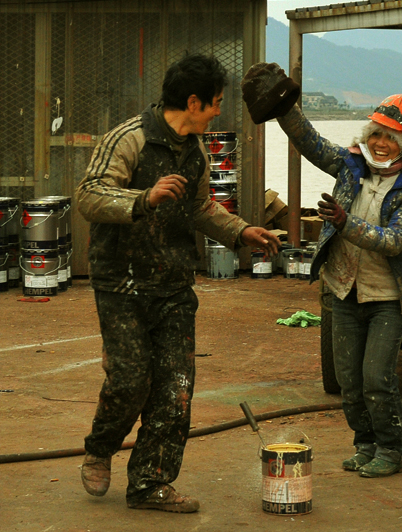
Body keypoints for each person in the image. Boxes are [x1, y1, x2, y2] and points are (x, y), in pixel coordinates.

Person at [76, 53, 280, 513]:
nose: (218, 112)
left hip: (173, 285)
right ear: (193, 102)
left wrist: (241, 231)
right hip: (122, 284)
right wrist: (143, 198)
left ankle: (150, 483)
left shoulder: (196, 152)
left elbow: (200, 207)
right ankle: (100, 447)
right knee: (131, 379)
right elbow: (89, 196)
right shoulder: (128, 139)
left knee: (176, 388)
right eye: (216, 103)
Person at [242, 63, 402, 478]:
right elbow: (309, 141)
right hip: (343, 289)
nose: (381, 144)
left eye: (392, 137)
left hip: (387, 298)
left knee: (376, 378)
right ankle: (365, 444)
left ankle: (392, 448)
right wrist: (284, 106)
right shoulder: (350, 166)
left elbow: (395, 240)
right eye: (376, 134)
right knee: (349, 379)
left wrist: (346, 223)